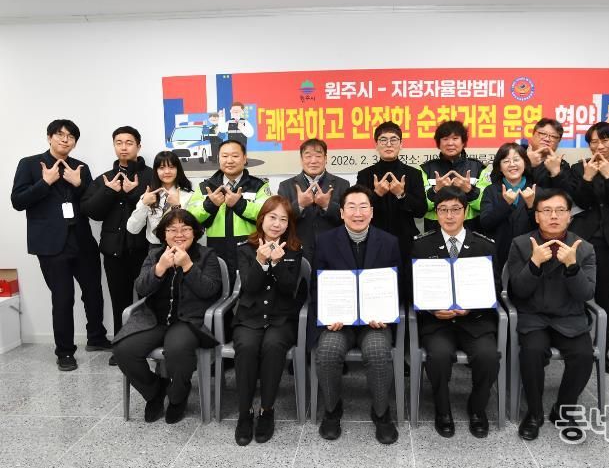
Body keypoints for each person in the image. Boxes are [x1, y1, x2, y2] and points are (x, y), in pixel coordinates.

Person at [11, 119, 111, 371]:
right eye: (60, 134)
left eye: (71, 136)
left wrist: (80, 185)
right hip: (51, 244)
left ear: (75, 142)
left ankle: (96, 337)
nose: (65, 139)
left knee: (93, 292)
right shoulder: (29, 164)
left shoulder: (81, 167)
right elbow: (18, 201)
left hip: (82, 240)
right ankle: (65, 352)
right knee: (63, 298)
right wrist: (45, 183)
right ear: (49, 138)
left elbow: (91, 204)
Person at [308, 184, 401, 444]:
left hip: (375, 322)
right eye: (351, 207)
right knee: (327, 351)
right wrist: (328, 314)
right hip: (339, 323)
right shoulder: (325, 241)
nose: (357, 213)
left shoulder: (389, 242)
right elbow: (317, 285)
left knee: (378, 352)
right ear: (341, 212)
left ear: (372, 212)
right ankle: (331, 409)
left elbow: (398, 286)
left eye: (363, 207)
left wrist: (386, 313)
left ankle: (381, 412)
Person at [112, 209, 222, 424]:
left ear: (195, 232)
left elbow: (210, 290)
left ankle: (178, 397)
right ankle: (154, 391)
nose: (179, 234)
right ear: (164, 234)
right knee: (123, 350)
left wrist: (188, 266)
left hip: (188, 320)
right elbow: (141, 288)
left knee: (177, 350)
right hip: (154, 318)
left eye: (185, 229)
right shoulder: (154, 255)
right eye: (172, 230)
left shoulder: (207, 256)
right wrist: (160, 267)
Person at [506, 189, 596, 442]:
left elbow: (586, 294)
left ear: (569, 216)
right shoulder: (521, 244)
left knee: (583, 355)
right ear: (537, 216)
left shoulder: (584, 248)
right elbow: (518, 291)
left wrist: (572, 266)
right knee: (532, 352)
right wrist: (534, 263)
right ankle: (534, 413)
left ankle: (563, 410)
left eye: (560, 211)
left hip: (569, 317)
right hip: (533, 317)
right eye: (546, 211)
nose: (553, 216)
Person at [412, 187, 499, 439]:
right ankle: (442, 410)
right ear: (436, 213)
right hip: (437, 322)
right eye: (443, 210)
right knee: (438, 357)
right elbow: (412, 287)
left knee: (488, 357)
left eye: (455, 209)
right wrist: (432, 308)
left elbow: (495, 286)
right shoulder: (421, 245)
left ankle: (477, 408)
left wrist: (471, 306)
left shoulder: (484, 246)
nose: (449, 216)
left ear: (466, 211)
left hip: (475, 320)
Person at [232, 196, 303, 446]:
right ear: (262, 219)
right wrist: (261, 261)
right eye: (272, 217)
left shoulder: (294, 249)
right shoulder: (245, 248)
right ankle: (245, 413)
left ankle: (266, 410)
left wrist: (278, 263)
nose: (277, 224)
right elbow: (249, 288)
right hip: (249, 316)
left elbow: (289, 289)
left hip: (281, 318)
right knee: (247, 346)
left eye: (283, 219)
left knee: (273, 346)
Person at [80, 125, 152, 365]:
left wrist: (133, 193)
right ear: (114, 146)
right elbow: (90, 211)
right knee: (119, 300)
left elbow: (159, 210)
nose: (124, 147)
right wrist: (109, 191)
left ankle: (145, 345)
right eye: (119, 142)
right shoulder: (105, 178)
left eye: (129, 142)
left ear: (138, 146)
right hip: (113, 250)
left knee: (147, 300)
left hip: (145, 249)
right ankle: (121, 347)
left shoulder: (151, 176)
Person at [569, 122, 609, 374]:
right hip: (581, 239)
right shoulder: (578, 168)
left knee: (606, 298)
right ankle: (576, 349)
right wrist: (587, 177)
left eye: (605, 140)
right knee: (576, 295)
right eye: (594, 142)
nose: (599, 146)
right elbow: (580, 201)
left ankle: (602, 352)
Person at [187, 139, 271, 281]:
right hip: (216, 248)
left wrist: (240, 204)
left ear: (244, 158)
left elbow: (267, 213)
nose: (229, 160)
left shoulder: (259, 185)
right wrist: (210, 205)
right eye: (225, 156)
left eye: (235, 156)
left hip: (250, 247)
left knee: (249, 287)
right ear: (218, 159)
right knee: (219, 287)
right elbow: (190, 218)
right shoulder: (205, 187)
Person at [356, 120, 427, 271]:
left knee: (405, 283)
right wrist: (376, 194)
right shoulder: (365, 175)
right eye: (383, 140)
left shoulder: (413, 174)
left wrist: (401, 194)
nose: (389, 144)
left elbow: (421, 211)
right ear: (376, 145)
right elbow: (359, 212)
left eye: (393, 140)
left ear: (401, 144)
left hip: (405, 243)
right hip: (373, 241)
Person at [277, 138, 349, 264]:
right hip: (297, 253)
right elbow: (280, 220)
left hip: (333, 251)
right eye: (308, 156)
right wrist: (299, 205)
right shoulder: (286, 186)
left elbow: (349, 218)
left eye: (318, 156)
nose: (313, 161)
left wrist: (327, 205)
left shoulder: (342, 184)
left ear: (325, 158)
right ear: (301, 159)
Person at [420, 120, 490, 232]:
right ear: (439, 143)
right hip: (435, 231)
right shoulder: (425, 169)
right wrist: (435, 190)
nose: (450, 143)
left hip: (470, 230)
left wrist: (470, 191)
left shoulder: (478, 168)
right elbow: (420, 207)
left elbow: (487, 205)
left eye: (455, 138)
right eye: (445, 139)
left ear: (463, 142)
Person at [479, 143, 538, 271]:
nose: (512, 164)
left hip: (530, 255)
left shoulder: (535, 190)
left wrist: (530, 206)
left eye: (516, 160)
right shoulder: (491, 190)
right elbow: (485, 223)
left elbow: (542, 227)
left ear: (525, 163)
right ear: (500, 167)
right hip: (498, 255)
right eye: (506, 161)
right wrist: (505, 204)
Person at [127, 151, 193, 249]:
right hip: (155, 249)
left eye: (171, 167)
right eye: (162, 168)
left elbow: (194, 229)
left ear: (178, 169)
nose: (167, 171)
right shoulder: (148, 196)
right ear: (156, 171)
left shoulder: (189, 195)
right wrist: (144, 204)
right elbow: (132, 229)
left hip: (182, 246)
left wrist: (177, 207)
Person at [523, 118, 573, 191]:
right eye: (543, 134)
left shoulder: (562, 165)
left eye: (553, 136)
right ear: (533, 134)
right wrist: (526, 163)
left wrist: (556, 173)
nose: (547, 139)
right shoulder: (516, 155)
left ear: (559, 141)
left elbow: (566, 195)